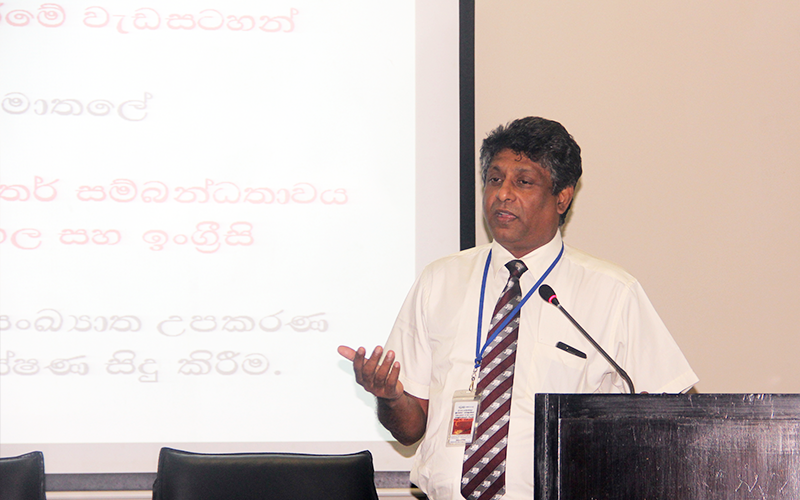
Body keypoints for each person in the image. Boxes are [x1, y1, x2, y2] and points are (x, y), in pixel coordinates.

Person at [338, 116, 698, 500]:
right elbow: (410, 430)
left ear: (563, 197)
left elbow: (679, 413)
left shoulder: (612, 293)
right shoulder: (439, 281)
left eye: (523, 182)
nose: (503, 194)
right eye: (494, 179)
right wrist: (390, 397)